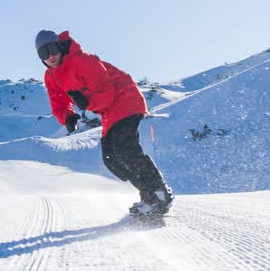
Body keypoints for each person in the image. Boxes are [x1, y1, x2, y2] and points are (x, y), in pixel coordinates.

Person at [36, 29, 174, 217]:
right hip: (110, 112)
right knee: (113, 160)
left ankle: (158, 193)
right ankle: (149, 196)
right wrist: (67, 117)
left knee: (124, 149)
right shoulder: (52, 76)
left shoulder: (82, 61)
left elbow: (107, 93)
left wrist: (86, 101)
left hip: (126, 99)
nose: (50, 56)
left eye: (52, 48)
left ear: (59, 46)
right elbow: (58, 103)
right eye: (43, 53)